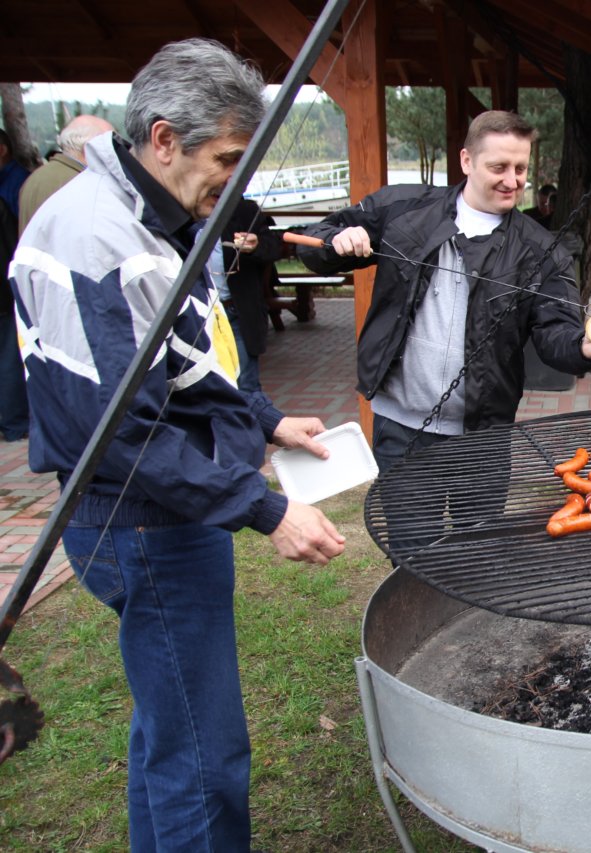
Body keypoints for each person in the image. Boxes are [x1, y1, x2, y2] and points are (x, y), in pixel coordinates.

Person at [9, 38, 346, 850]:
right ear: (164, 138)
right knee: (203, 752)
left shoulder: (146, 214)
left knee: (171, 728)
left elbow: (187, 354)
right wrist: (264, 508)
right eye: (227, 157)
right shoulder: (95, 237)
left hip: (164, 510)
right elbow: (117, 432)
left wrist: (263, 418)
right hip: (145, 521)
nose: (235, 178)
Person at [297, 111, 591, 473]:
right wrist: (336, 240)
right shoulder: (403, 208)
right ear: (467, 161)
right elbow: (313, 240)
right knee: (406, 515)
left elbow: (555, 333)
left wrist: (586, 348)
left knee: (477, 515)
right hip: (399, 428)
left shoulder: (543, 250)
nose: (512, 180)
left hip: (486, 434)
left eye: (520, 169)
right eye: (499, 167)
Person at [206, 197, 282, 393]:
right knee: (209, 386)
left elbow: (273, 247)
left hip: (235, 309)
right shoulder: (181, 212)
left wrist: (256, 246)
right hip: (200, 313)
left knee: (246, 384)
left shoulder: (243, 209)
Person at [17, 114, 115, 235]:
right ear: (88, 148)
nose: (116, 153)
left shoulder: (35, 177)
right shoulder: (77, 183)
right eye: (112, 145)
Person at [0, 129, 30, 441]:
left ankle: (12, 421)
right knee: (10, 357)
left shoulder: (16, 182)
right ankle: (14, 422)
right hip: (5, 290)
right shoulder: (14, 184)